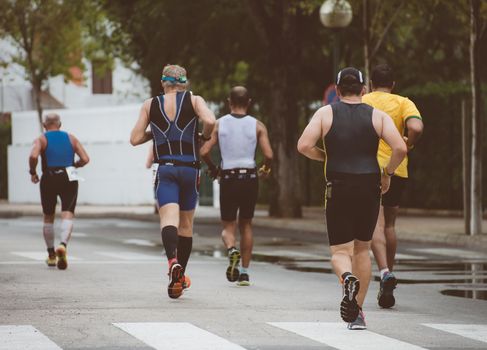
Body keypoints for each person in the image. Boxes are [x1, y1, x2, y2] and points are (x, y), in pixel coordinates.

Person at [297, 67, 407, 330]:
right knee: (362, 249)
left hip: (338, 186)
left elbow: (303, 145)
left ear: (337, 90)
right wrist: (388, 173)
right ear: (363, 90)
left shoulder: (326, 113)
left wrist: (325, 156)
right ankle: (356, 314)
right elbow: (400, 147)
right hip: (370, 186)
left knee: (340, 251)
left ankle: (346, 277)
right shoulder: (377, 116)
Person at [130, 64, 216, 299]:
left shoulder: (150, 104)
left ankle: (172, 263)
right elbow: (210, 120)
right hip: (190, 169)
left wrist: (154, 133)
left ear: (162, 83)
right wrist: (204, 137)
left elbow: (135, 138)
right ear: (184, 84)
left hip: (166, 169)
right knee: (186, 225)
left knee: (168, 219)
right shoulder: (194, 99)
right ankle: (180, 276)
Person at [362, 63, 424, 309]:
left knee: (374, 223)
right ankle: (387, 275)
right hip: (397, 168)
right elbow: (416, 126)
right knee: (390, 224)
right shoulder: (403, 102)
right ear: (393, 84)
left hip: (370, 168)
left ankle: (385, 272)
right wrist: (407, 143)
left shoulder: (363, 100)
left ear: (371, 82)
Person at [200, 86, 273, 286]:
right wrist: (265, 169)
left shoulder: (219, 124)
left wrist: (214, 169)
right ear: (249, 102)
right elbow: (269, 155)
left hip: (229, 177)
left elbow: (204, 151)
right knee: (247, 224)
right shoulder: (257, 125)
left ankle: (232, 250)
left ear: (229, 102)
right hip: (249, 177)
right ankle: (245, 273)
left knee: (228, 226)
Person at [29, 113, 90, 270]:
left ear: (44, 125)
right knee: (67, 213)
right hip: (69, 175)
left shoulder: (41, 139)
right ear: (60, 124)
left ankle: (51, 255)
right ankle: (62, 245)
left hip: (49, 177)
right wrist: (75, 165)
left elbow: (33, 155)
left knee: (48, 216)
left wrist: (33, 172)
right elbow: (85, 158)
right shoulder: (71, 138)